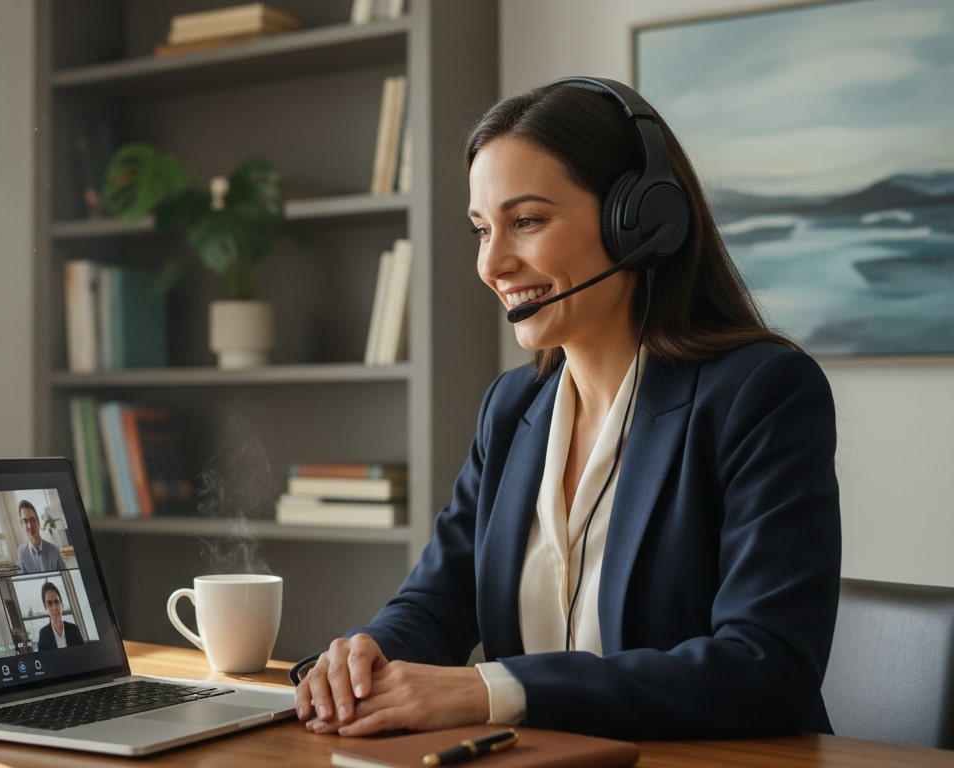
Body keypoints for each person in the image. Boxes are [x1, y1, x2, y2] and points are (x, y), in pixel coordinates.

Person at [293, 77, 841, 741]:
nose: (493, 263)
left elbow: (767, 670)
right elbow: (439, 599)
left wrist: (490, 690)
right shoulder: (512, 405)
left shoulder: (762, 393)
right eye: (480, 229)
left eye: (526, 221)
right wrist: (365, 654)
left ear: (639, 221)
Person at [15, 499, 61, 574]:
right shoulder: (21, 552)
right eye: (25, 521)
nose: (30, 526)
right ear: (22, 525)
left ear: (38, 522)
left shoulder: (54, 550)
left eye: (33, 520)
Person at [35, 581, 84, 650]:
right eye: (49, 604)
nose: (54, 607)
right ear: (45, 607)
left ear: (61, 604)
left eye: (56, 602)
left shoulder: (74, 629)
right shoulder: (43, 634)